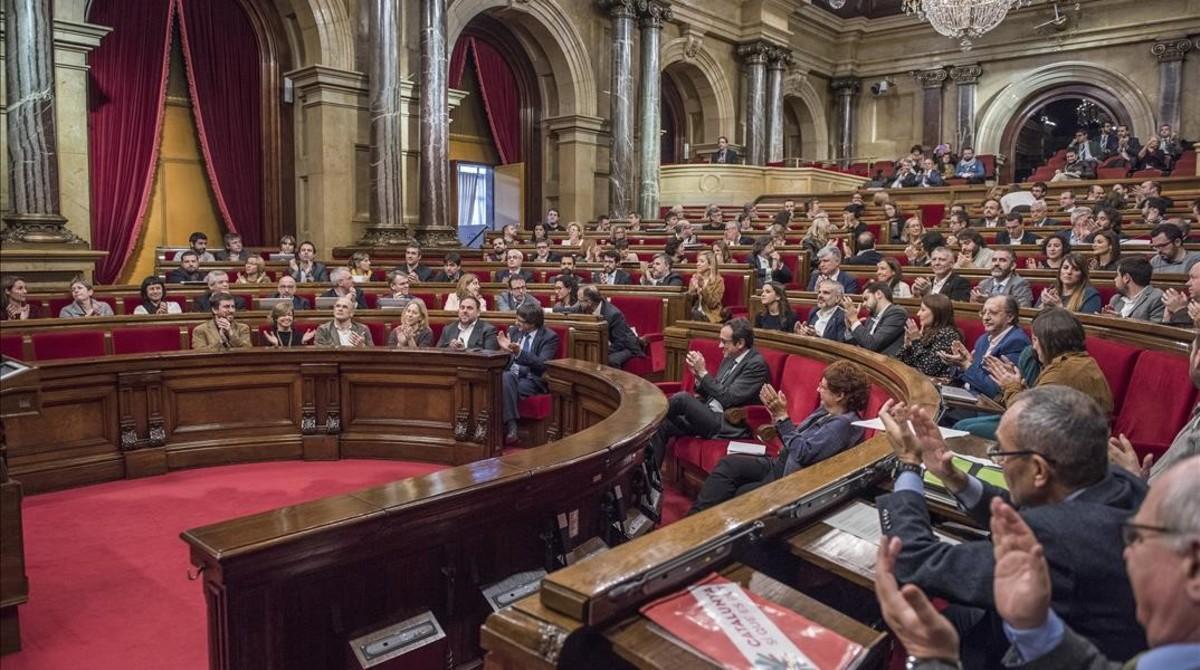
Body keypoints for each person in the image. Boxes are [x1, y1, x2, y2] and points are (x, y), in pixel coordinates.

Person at [876, 386, 1148, 668]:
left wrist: (909, 464)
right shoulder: (1122, 482)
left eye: (1002, 453)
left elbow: (916, 560)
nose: (1000, 462)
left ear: (1039, 470)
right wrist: (952, 475)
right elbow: (1026, 509)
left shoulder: (1053, 539)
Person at [688, 361, 869, 513]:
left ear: (839, 395)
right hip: (780, 462)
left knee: (740, 494)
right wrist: (777, 416)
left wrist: (783, 417)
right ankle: (693, 522)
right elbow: (796, 437)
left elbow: (803, 453)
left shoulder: (843, 426)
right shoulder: (826, 411)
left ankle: (703, 534)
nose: (817, 389)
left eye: (822, 387)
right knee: (728, 464)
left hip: (791, 478)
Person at [958, 308, 1112, 438]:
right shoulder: (1071, 361)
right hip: (1054, 426)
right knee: (963, 424)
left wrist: (1011, 386)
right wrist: (1019, 387)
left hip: (1064, 438)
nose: (1033, 347)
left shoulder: (1064, 371)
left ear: (1048, 342)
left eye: (1035, 340)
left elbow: (1026, 417)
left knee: (964, 428)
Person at [645, 318, 769, 474]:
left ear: (740, 343)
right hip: (708, 413)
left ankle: (646, 416)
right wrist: (698, 377)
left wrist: (703, 373)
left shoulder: (756, 365)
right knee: (662, 425)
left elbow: (728, 398)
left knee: (683, 398)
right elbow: (714, 391)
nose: (720, 346)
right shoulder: (730, 357)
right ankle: (651, 482)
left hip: (726, 422)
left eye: (724, 342)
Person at [940, 295, 1030, 400]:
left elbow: (996, 391)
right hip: (967, 395)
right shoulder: (984, 338)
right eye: (984, 313)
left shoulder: (1016, 342)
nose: (985, 318)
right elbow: (972, 373)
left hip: (986, 406)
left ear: (1010, 317)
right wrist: (960, 364)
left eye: (993, 313)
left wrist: (967, 365)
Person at [498, 303, 560, 445]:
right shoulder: (513, 331)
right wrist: (504, 351)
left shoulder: (549, 337)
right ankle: (512, 426)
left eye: (520, 321)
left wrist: (519, 353)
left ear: (533, 323)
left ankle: (507, 428)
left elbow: (542, 364)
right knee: (505, 378)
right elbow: (505, 361)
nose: (516, 323)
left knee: (503, 385)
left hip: (533, 379)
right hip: (511, 376)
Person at [897, 294, 963, 378]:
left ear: (937, 313)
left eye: (923, 310)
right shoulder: (925, 331)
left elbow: (928, 369)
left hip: (936, 386)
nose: (918, 313)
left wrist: (916, 341)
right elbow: (900, 362)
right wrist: (907, 347)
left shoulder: (948, 334)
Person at [577, 284, 644, 368]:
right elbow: (570, 310)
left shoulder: (613, 314)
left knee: (610, 360)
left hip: (626, 346)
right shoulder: (583, 307)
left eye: (580, 300)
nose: (578, 303)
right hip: (605, 345)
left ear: (589, 302)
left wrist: (600, 352)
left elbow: (620, 342)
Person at [843, 281, 907, 356]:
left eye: (866, 299)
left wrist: (854, 319)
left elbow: (872, 345)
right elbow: (860, 343)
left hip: (886, 363)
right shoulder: (871, 316)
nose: (863, 304)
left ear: (878, 294)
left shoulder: (897, 313)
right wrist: (850, 327)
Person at [1036, 253, 1102, 314]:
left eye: (1076, 269)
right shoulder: (1050, 291)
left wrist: (1059, 307)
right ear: (1060, 271)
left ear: (1083, 274)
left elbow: (1086, 324)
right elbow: (1033, 318)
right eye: (1065, 268)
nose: (1069, 272)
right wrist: (1043, 306)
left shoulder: (1090, 295)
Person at [1105, 256, 1164, 322]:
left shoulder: (1156, 297)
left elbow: (1156, 328)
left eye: (1117, 275)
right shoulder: (1116, 299)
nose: (1115, 279)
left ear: (1126, 278)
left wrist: (1122, 321)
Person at [687, 250, 725, 323]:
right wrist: (693, 290)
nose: (698, 264)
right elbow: (690, 302)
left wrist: (703, 288)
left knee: (694, 315)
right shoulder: (695, 278)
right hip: (694, 312)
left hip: (710, 314)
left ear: (710, 265)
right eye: (697, 261)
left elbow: (712, 304)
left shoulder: (718, 281)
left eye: (702, 261)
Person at [1160, 261, 1200, 326]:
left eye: (1193, 278)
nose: (1188, 283)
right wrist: (1166, 319)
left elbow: (1187, 335)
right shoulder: (1189, 304)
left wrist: (1179, 310)